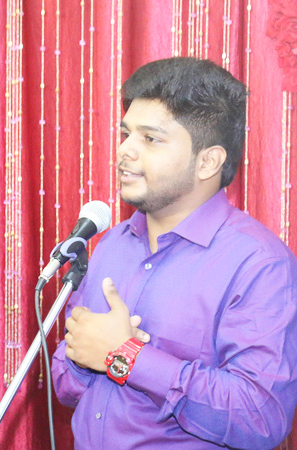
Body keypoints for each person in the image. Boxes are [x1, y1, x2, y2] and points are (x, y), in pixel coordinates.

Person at [52, 57, 297, 449]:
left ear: (208, 162)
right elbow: (66, 387)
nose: (125, 151)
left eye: (150, 139)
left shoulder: (259, 264)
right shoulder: (111, 244)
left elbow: (259, 418)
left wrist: (127, 355)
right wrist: (84, 357)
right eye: (125, 133)